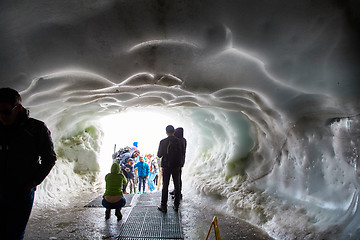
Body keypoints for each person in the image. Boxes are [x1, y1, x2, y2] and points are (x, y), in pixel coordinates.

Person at [0, 88, 57, 240]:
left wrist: (32, 182)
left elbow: (49, 158)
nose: (1, 117)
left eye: (6, 112)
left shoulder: (35, 129)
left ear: (18, 108)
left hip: (21, 192)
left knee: (14, 234)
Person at [157, 125, 185, 213]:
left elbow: (159, 155)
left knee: (165, 186)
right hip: (176, 166)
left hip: (166, 166)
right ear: (174, 132)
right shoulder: (179, 141)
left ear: (166, 131)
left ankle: (163, 206)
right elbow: (183, 153)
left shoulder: (163, 142)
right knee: (177, 185)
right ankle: (176, 205)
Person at [170, 127, 187, 199]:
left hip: (177, 161)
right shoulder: (183, 140)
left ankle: (178, 193)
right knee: (177, 177)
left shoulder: (178, 140)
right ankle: (176, 191)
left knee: (177, 178)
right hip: (181, 161)